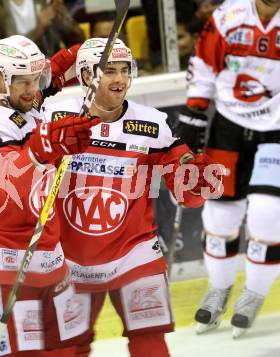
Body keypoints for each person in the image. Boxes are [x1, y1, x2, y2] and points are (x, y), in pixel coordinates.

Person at [42, 38, 224, 356]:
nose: (120, 79)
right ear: (86, 76)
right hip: (69, 261)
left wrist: (194, 179)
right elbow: (20, 161)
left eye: (125, 70)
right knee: (64, 349)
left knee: (150, 341)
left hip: (135, 257)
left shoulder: (153, 125)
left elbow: (185, 187)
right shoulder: (54, 116)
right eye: (109, 71)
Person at [0, 35, 100, 356]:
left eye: (35, 79)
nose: (33, 89)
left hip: (43, 251)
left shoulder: (16, 96)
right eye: (23, 82)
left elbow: (55, 73)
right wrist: (45, 145)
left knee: (74, 346)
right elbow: (3, 184)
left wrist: (88, 51)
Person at [176, 0, 280, 338]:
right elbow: (204, 66)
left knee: (268, 212)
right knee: (218, 216)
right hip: (227, 127)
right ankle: (218, 290)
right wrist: (193, 113)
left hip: (276, 130)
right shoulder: (228, 17)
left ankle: (253, 294)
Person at [0, 0, 84, 59]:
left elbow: (80, 42)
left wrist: (63, 22)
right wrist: (36, 31)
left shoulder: (46, 2)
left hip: (53, 73)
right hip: (16, 81)